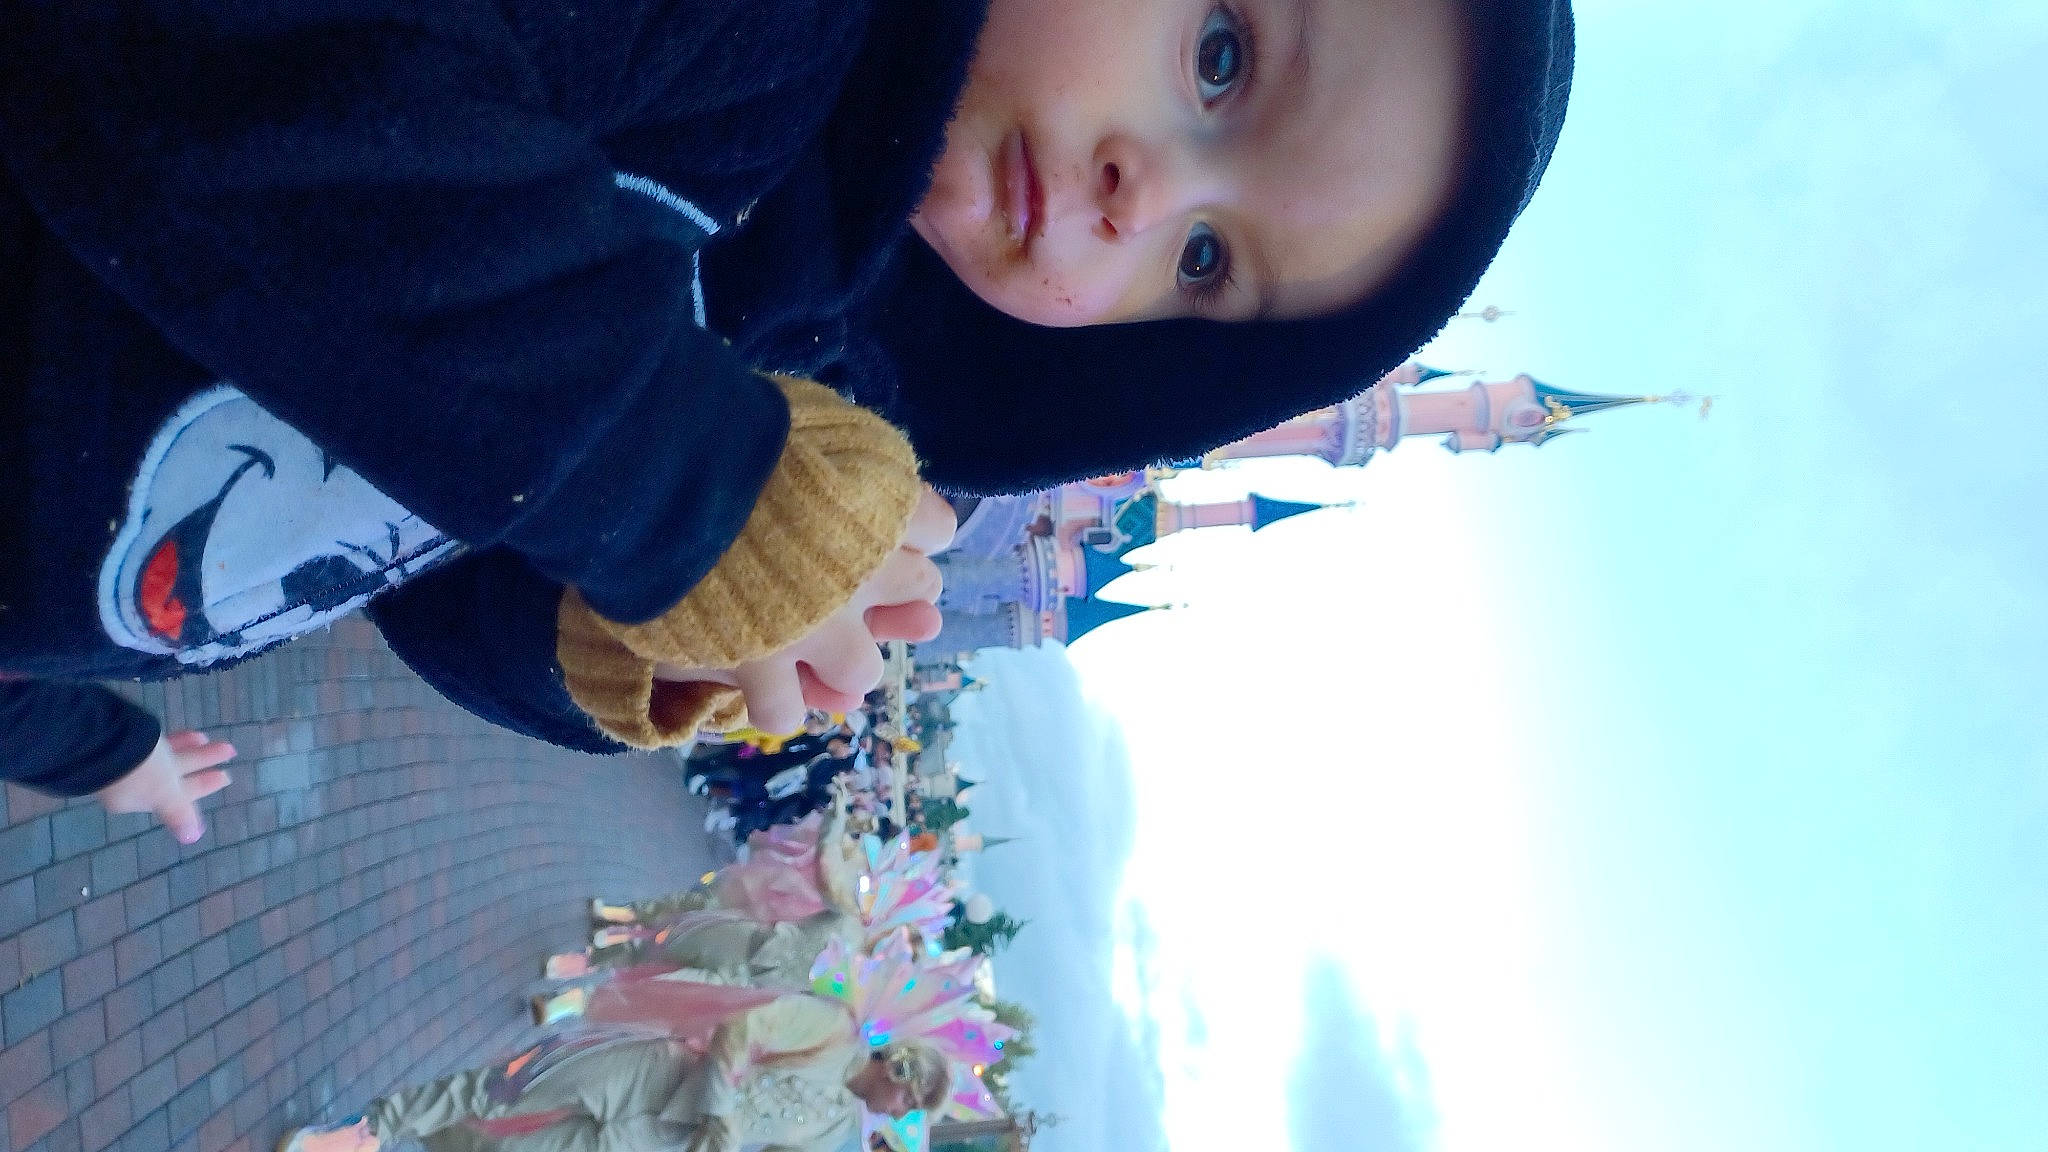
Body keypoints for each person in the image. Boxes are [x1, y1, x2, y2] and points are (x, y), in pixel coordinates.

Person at [1, 0, 1575, 835]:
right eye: (1221, 55)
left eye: (1208, 262)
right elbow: (240, 62)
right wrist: (673, 480)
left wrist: (613, 633)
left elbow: (440, 563)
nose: (1142, 196)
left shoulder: (813, 349)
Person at [278, 993, 951, 1152]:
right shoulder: (834, 1027)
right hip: (647, 1077)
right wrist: (720, 1111)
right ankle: (359, 1132)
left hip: (648, 1144)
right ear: (900, 1072)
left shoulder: (837, 1126)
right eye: (907, 1103)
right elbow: (742, 1028)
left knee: (505, 1147)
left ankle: (406, 1143)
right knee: (503, 1088)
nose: (897, 1115)